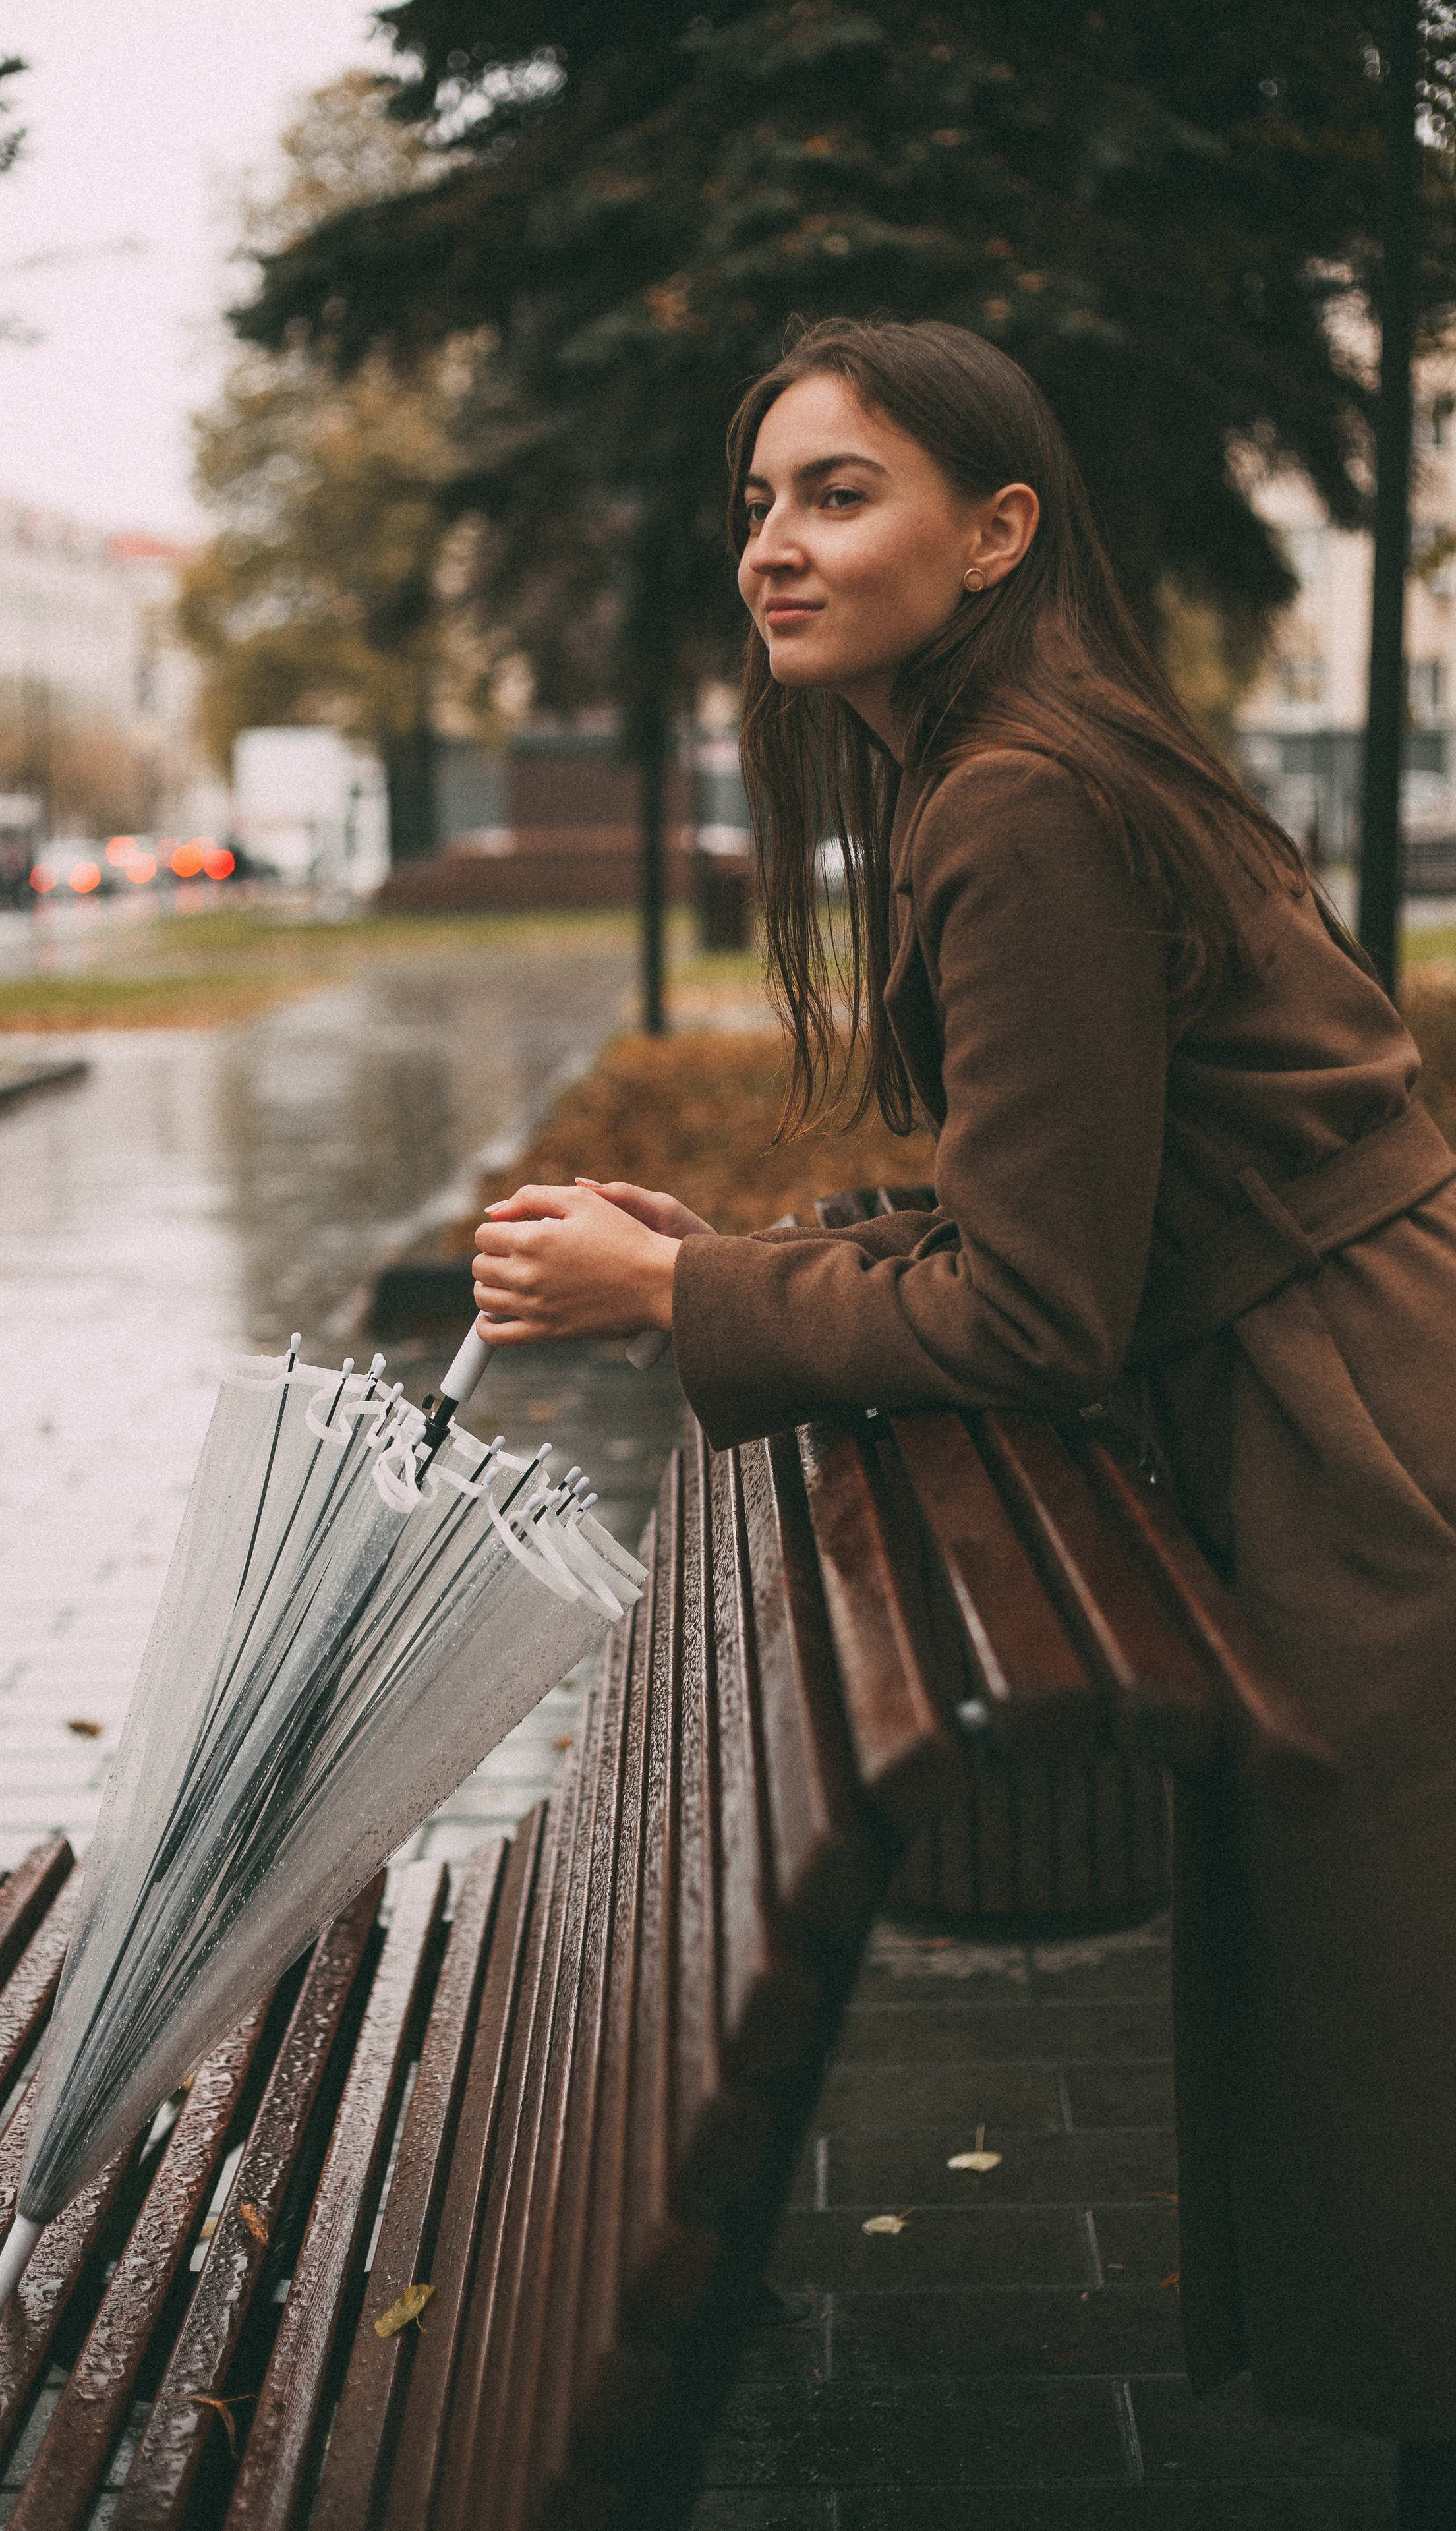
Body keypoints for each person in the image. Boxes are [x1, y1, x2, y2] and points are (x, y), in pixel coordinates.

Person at [472, 318, 1456, 2518]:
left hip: (1360, 1451)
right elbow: (1065, 1203)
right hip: (1346, 1390)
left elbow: (1029, 1312)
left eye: (841, 494)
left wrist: (683, 1293)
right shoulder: (1017, 764)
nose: (776, 549)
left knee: (1411, 2072)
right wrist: (710, 1259)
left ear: (995, 531)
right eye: (759, 504)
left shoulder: (1017, 800)